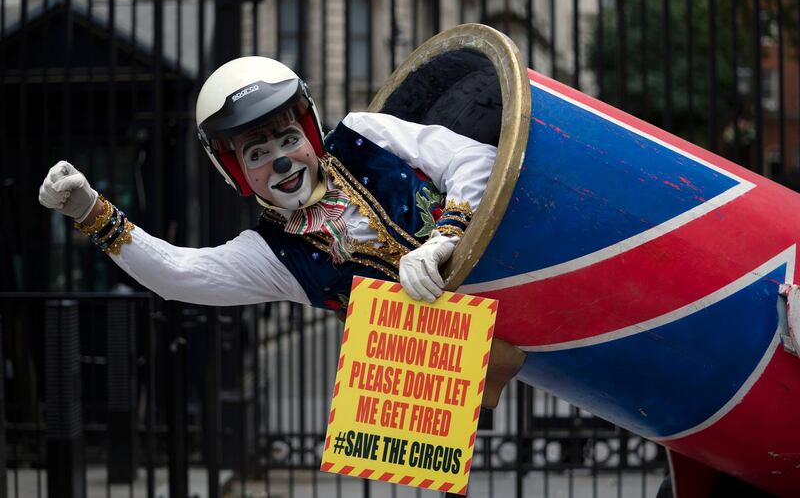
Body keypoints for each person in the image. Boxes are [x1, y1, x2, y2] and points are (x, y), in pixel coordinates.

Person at [38, 56, 521, 406]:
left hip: (529, 269)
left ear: (309, 134)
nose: (282, 160)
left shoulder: (365, 136)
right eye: (257, 154)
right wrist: (92, 212)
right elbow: (177, 274)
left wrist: (445, 236)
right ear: (237, 174)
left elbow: (474, 158)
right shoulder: (273, 254)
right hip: (435, 376)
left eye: (288, 139)